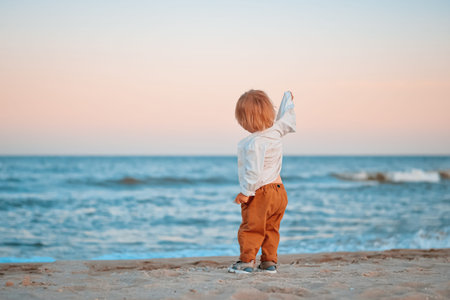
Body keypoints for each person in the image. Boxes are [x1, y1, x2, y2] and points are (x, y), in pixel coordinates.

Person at [228, 90, 296, 274]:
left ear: (247, 120)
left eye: (241, 119)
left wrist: (246, 192)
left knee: (252, 227)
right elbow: (286, 119)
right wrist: (287, 101)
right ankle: (269, 263)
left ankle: (247, 262)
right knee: (271, 228)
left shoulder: (255, 143)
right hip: (280, 191)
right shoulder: (276, 132)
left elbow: (254, 171)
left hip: (262, 192)